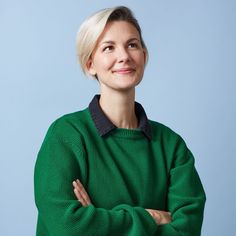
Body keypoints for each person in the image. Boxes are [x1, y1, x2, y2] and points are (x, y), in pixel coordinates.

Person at [34, 6, 206, 236]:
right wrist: (151, 218)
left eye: (132, 45)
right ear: (90, 63)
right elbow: (67, 227)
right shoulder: (66, 136)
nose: (124, 56)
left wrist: (97, 221)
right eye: (108, 48)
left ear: (144, 56)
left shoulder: (172, 146)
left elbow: (188, 231)